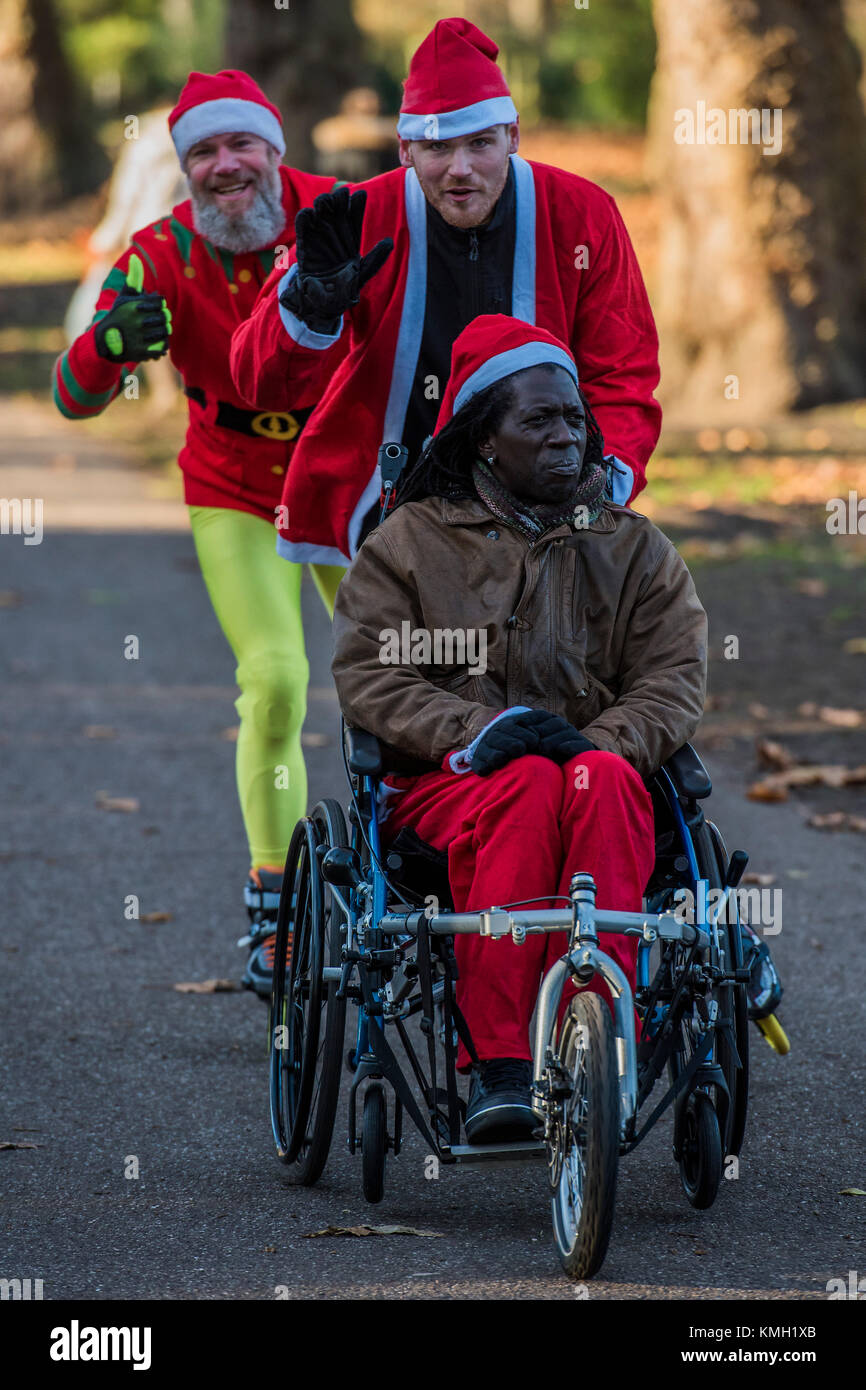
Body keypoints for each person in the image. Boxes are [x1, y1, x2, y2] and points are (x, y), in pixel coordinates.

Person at [330, 316, 708, 1144]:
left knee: (595, 779)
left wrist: (600, 743)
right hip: (448, 782)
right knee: (525, 784)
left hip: (595, 769)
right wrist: (475, 730)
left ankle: (605, 1046)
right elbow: (370, 673)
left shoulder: (633, 548)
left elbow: (673, 676)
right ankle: (499, 1066)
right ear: (484, 439)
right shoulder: (408, 546)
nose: (566, 436)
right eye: (538, 421)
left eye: (573, 418)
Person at [52, 70, 345, 996]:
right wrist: (108, 348)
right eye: (204, 153)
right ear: (183, 170)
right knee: (275, 683)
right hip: (234, 485)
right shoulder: (156, 255)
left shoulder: (340, 216)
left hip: (343, 480)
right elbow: (71, 398)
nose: (226, 167)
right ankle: (274, 902)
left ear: (275, 149)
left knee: (406, 680)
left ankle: (423, 871)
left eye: (241, 145)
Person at [230, 16, 662, 569]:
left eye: (480, 143)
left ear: (513, 136)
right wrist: (307, 307)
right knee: (391, 658)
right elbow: (262, 384)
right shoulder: (357, 218)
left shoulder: (582, 213)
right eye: (436, 148)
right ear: (405, 149)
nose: (460, 170)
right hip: (372, 512)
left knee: (525, 657)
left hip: (539, 514)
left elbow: (622, 372)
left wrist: (598, 484)